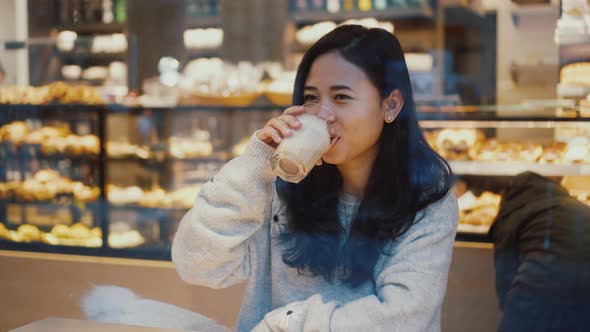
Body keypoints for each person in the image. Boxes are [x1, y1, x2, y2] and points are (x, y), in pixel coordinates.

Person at [172, 25, 458, 332]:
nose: (323, 113)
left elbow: (403, 318)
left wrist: (285, 324)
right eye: (311, 98)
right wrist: (255, 164)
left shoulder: (427, 199)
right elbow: (196, 265)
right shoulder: (285, 185)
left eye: (341, 97)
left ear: (390, 105)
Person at [490, 172, 590, 332]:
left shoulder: (514, 213)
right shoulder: (575, 206)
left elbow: (505, 272)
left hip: (540, 277)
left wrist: (509, 306)